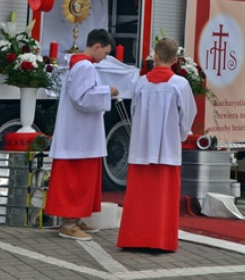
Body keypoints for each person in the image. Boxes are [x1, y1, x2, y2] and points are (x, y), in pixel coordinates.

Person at [117, 37, 197, 251]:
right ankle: (159, 242)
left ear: (155, 56)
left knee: (139, 197)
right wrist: (178, 136)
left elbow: (134, 111)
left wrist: (142, 133)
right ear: (175, 60)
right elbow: (188, 115)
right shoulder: (180, 84)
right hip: (166, 150)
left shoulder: (142, 83)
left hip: (141, 147)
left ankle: (133, 239)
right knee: (163, 199)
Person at [45, 29, 119, 241]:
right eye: (105, 53)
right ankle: (68, 223)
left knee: (80, 178)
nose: (104, 58)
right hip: (78, 135)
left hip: (79, 133)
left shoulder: (78, 64)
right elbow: (82, 98)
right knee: (75, 179)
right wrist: (108, 91)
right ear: (96, 47)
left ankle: (75, 218)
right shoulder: (85, 66)